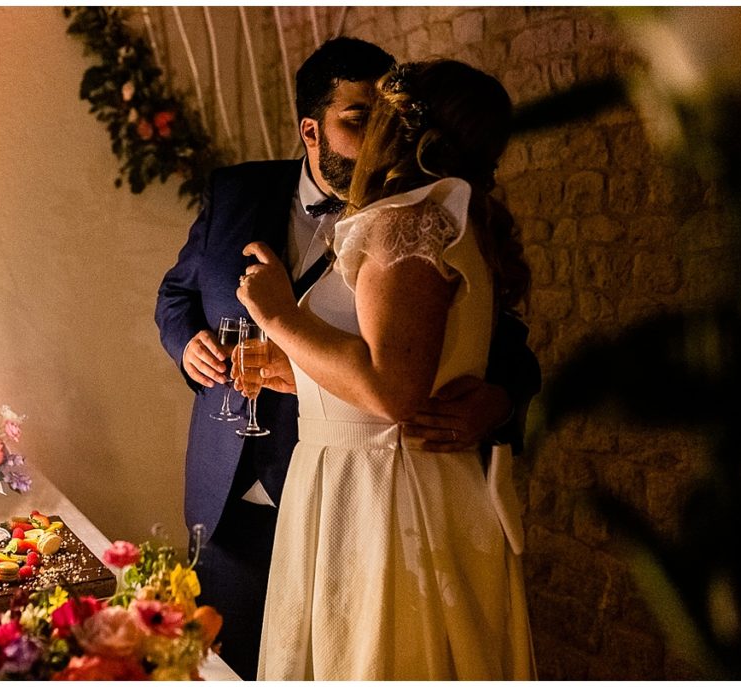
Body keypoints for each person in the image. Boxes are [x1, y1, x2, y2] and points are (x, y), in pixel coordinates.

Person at [155, 39, 538, 680]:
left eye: (376, 116)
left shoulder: (408, 222)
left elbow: (408, 378)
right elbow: (177, 295)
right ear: (312, 129)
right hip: (244, 497)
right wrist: (202, 345)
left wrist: (280, 316)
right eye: (351, 118)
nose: (366, 132)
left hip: (372, 494)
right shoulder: (240, 193)